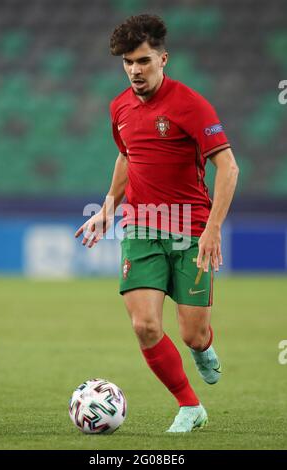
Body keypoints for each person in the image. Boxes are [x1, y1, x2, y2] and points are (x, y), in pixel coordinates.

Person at [75, 14, 239, 432]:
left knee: (191, 334)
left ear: (163, 59)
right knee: (145, 325)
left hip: (191, 229)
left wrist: (214, 228)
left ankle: (203, 347)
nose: (135, 70)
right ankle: (190, 406)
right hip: (142, 227)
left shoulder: (191, 105)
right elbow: (128, 155)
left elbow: (229, 167)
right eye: (128, 62)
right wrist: (109, 206)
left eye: (143, 61)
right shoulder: (120, 107)